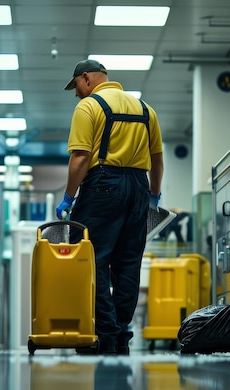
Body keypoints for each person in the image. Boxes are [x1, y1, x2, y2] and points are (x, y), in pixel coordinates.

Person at [56, 59, 164, 355]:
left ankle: (103, 333)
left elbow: (80, 157)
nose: (76, 93)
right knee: (129, 261)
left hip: (103, 184)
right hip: (138, 187)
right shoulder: (145, 110)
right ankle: (120, 332)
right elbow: (157, 159)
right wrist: (153, 195)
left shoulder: (88, 107)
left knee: (92, 259)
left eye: (76, 85)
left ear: (87, 79)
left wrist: (68, 196)